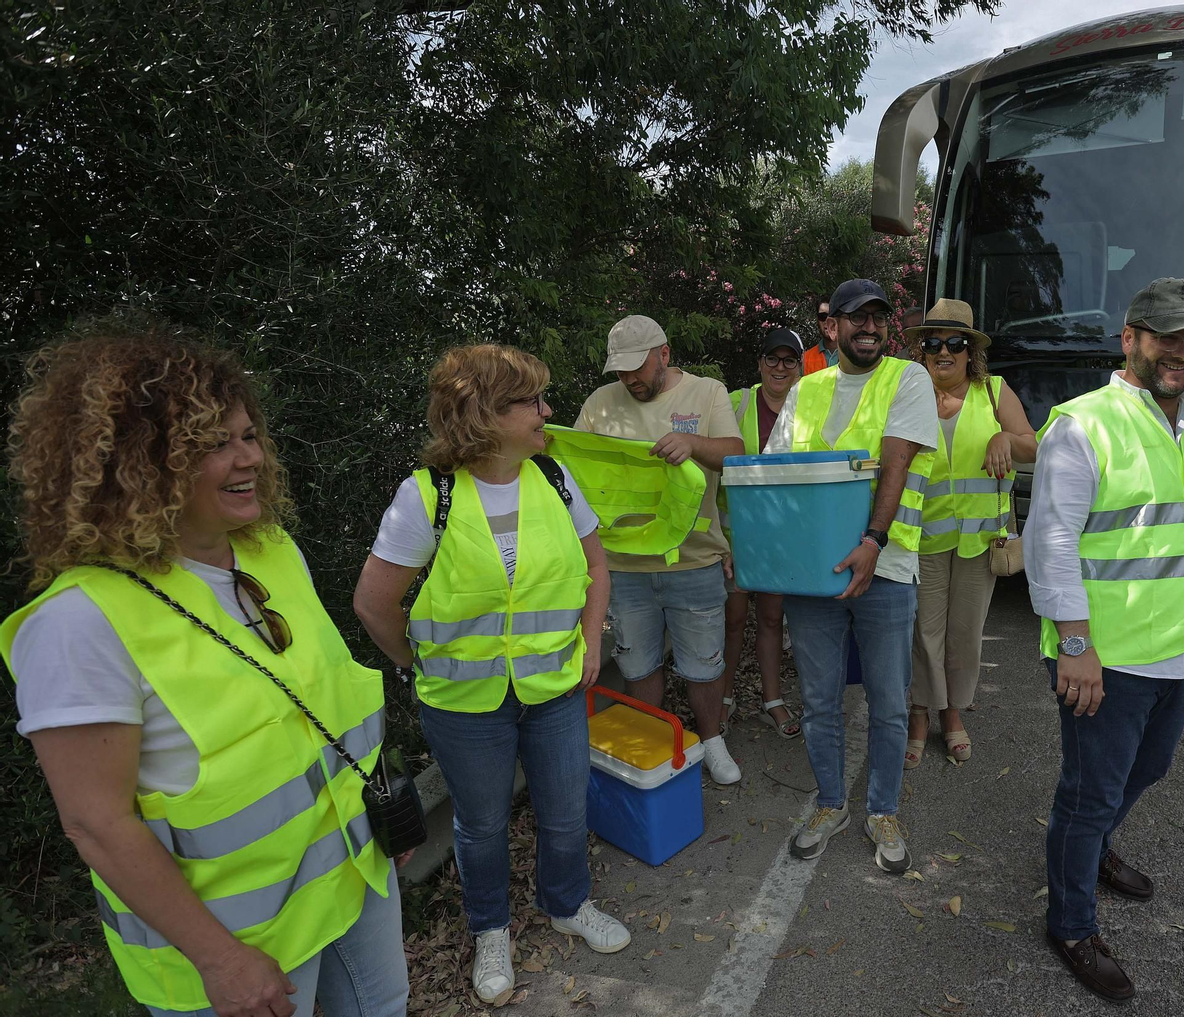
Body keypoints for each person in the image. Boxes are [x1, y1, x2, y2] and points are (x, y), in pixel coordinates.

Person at [0, 317, 408, 1017]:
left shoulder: (270, 547)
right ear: (135, 463)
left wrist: (374, 829)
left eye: (248, 434)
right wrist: (219, 957)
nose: (247, 457)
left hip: (354, 883)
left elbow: (320, 708)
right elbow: (95, 821)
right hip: (238, 950)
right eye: (214, 444)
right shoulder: (77, 624)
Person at [1023, 279, 1184, 1003]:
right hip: (1107, 655)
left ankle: (1097, 847)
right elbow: (1050, 541)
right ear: (1129, 339)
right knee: (1088, 790)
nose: (1182, 351)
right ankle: (1071, 923)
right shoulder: (1084, 423)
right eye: (1167, 336)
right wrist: (1075, 644)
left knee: (1152, 768)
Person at [353, 345, 630, 1005]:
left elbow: (597, 568)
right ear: (483, 413)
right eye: (531, 401)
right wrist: (411, 658)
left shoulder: (557, 478)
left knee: (565, 810)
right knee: (481, 824)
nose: (547, 411)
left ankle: (566, 903)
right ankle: (491, 930)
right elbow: (373, 602)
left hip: (555, 688)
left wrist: (592, 639)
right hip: (464, 701)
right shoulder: (427, 497)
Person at [764, 279, 938, 874]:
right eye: (856, 319)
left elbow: (896, 461)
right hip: (813, 576)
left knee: (889, 702)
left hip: (884, 567)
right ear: (830, 327)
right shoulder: (805, 390)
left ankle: (882, 809)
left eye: (878, 319)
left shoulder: (908, 379)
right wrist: (773, 556)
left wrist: (872, 541)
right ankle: (832, 804)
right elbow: (780, 476)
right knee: (818, 700)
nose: (870, 328)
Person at [574, 315, 746, 785]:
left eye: (638, 367)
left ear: (664, 354)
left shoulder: (706, 392)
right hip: (623, 565)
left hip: (694, 558)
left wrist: (691, 443)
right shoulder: (598, 404)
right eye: (621, 371)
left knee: (704, 663)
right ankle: (653, 746)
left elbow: (736, 453)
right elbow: (575, 470)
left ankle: (711, 740)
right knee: (636, 660)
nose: (630, 379)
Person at [903, 299, 1036, 768]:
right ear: (922, 350)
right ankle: (919, 714)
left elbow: (1032, 446)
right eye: (933, 342)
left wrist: (1005, 438)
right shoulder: (907, 393)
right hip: (922, 538)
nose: (944, 351)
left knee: (965, 634)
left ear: (969, 351)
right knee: (924, 632)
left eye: (954, 343)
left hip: (980, 542)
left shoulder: (994, 391)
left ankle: (952, 715)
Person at [718, 329, 805, 739]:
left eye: (789, 360)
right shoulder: (736, 403)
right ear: (760, 364)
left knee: (772, 617)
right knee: (732, 619)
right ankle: (723, 696)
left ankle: (772, 699)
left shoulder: (810, 406)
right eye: (773, 358)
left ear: (800, 367)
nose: (780, 367)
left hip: (781, 538)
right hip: (735, 538)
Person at [802, 296, 839, 374]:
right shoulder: (806, 359)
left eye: (832, 315)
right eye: (823, 316)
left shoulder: (852, 355)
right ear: (817, 320)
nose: (828, 321)